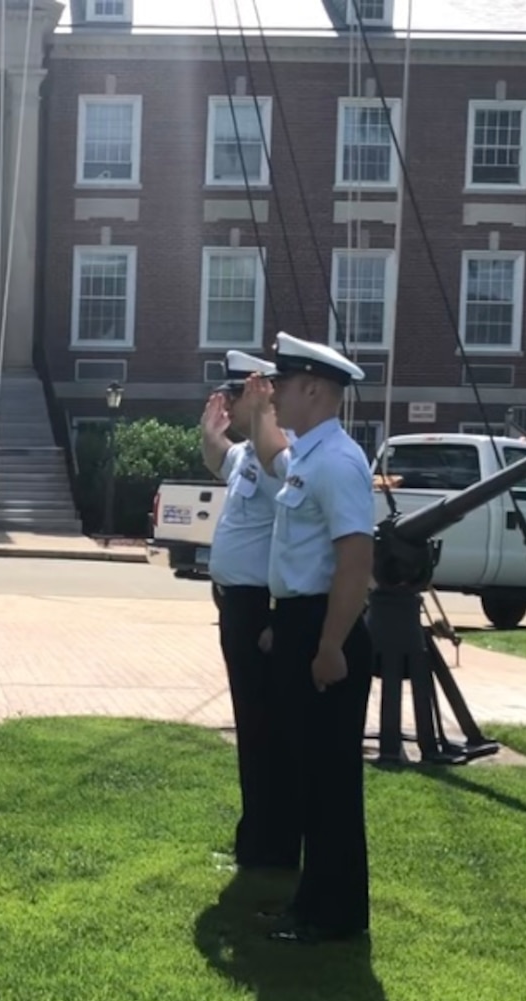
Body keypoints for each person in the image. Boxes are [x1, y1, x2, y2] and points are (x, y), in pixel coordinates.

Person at [252, 331, 377, 945]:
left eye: (281, 384)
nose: (273, 393)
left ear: (313, 389)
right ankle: (311, 905)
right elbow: (306, 556)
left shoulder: (337, 462)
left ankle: (336, 915)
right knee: (307, 773)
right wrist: (288, 625)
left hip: (331, 632)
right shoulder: (307, 455)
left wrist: (329, 646)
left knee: (330, 781)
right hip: (304, 624)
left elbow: (355, 561)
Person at [200, 350, 299, 878]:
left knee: (267, 732)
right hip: (238, 604)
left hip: (263, 608)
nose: (228, 404)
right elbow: (219, 459)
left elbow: (295, 543)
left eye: (235, 396)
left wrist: (275, 618)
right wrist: (208, 431)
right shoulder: (247, 455)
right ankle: (254, 841)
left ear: (262, 395)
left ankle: (273, 848)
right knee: (251, 727)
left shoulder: (285, 454)